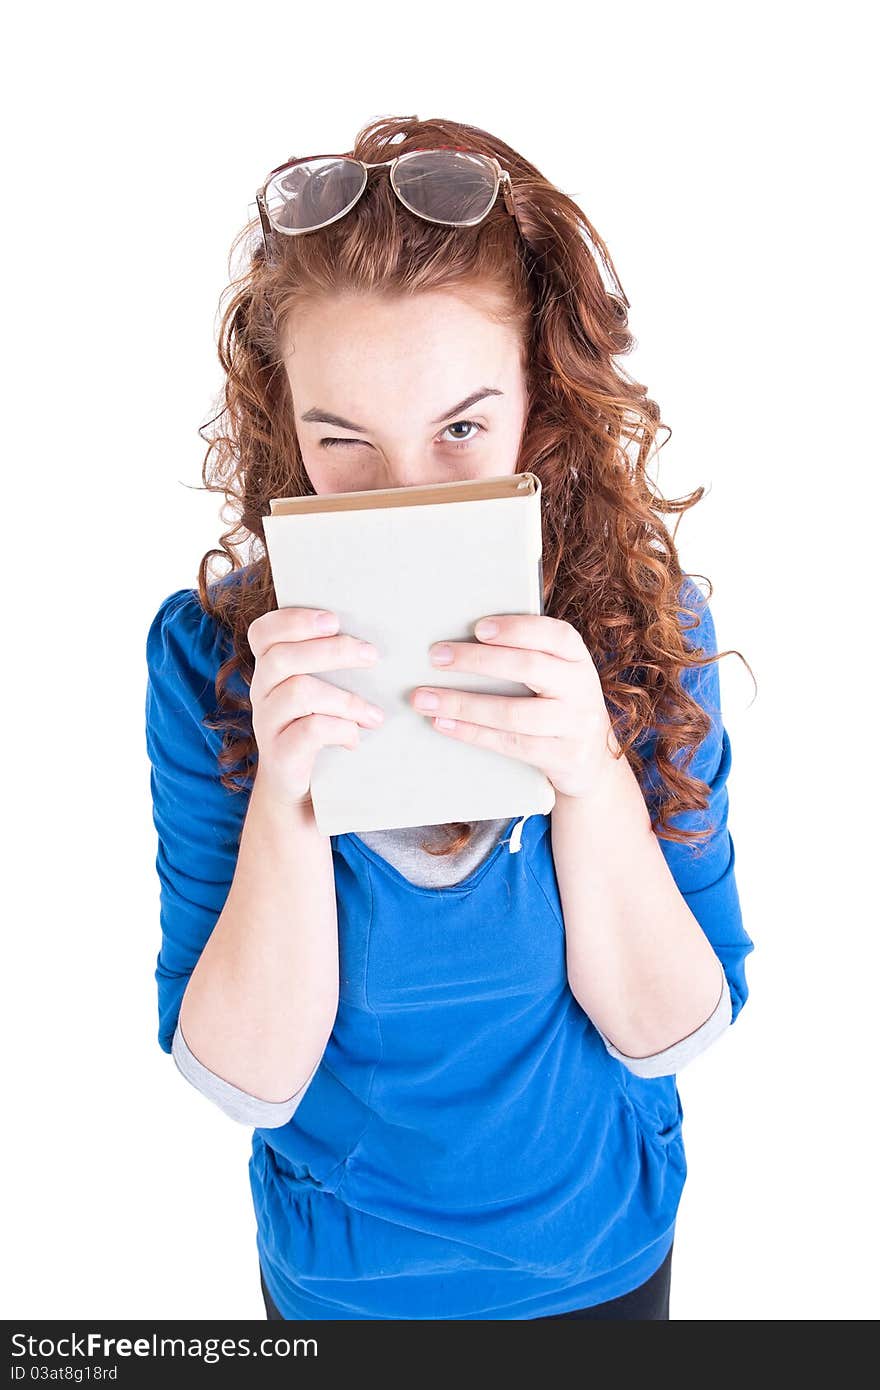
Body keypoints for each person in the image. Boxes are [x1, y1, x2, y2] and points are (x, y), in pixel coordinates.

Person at [144, 114, 755, 1321]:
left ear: (542, 402)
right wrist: (286, 788)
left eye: (462, 428)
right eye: (345, 443)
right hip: (338, 1290)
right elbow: (248, 1079)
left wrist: (588, 775)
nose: (408, 494)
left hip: (600, 1263)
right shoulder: (210, 661)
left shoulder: (646, 629)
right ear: (288, 429)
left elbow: (671, 1032)